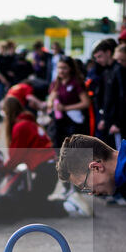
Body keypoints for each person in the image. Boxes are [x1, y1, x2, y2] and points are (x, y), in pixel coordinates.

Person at [46, 56, 90, 194]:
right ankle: (66, 186)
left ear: (70, 68)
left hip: (72, 124)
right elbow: (49, 102)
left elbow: (86, 103)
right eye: (59, 68)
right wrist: (51, 104)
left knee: (74, 155)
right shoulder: (55, 83)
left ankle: (78, 184)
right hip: (58, 124)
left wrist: (66, 108)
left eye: (64, 67)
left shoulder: (76, 83)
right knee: (60, 155)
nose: (61, 71)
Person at [0, 40, 16, 120]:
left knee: (8, 98)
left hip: (8, 81)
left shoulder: (8, 57)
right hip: (1, 81)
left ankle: (8, 113)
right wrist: (3, 79)